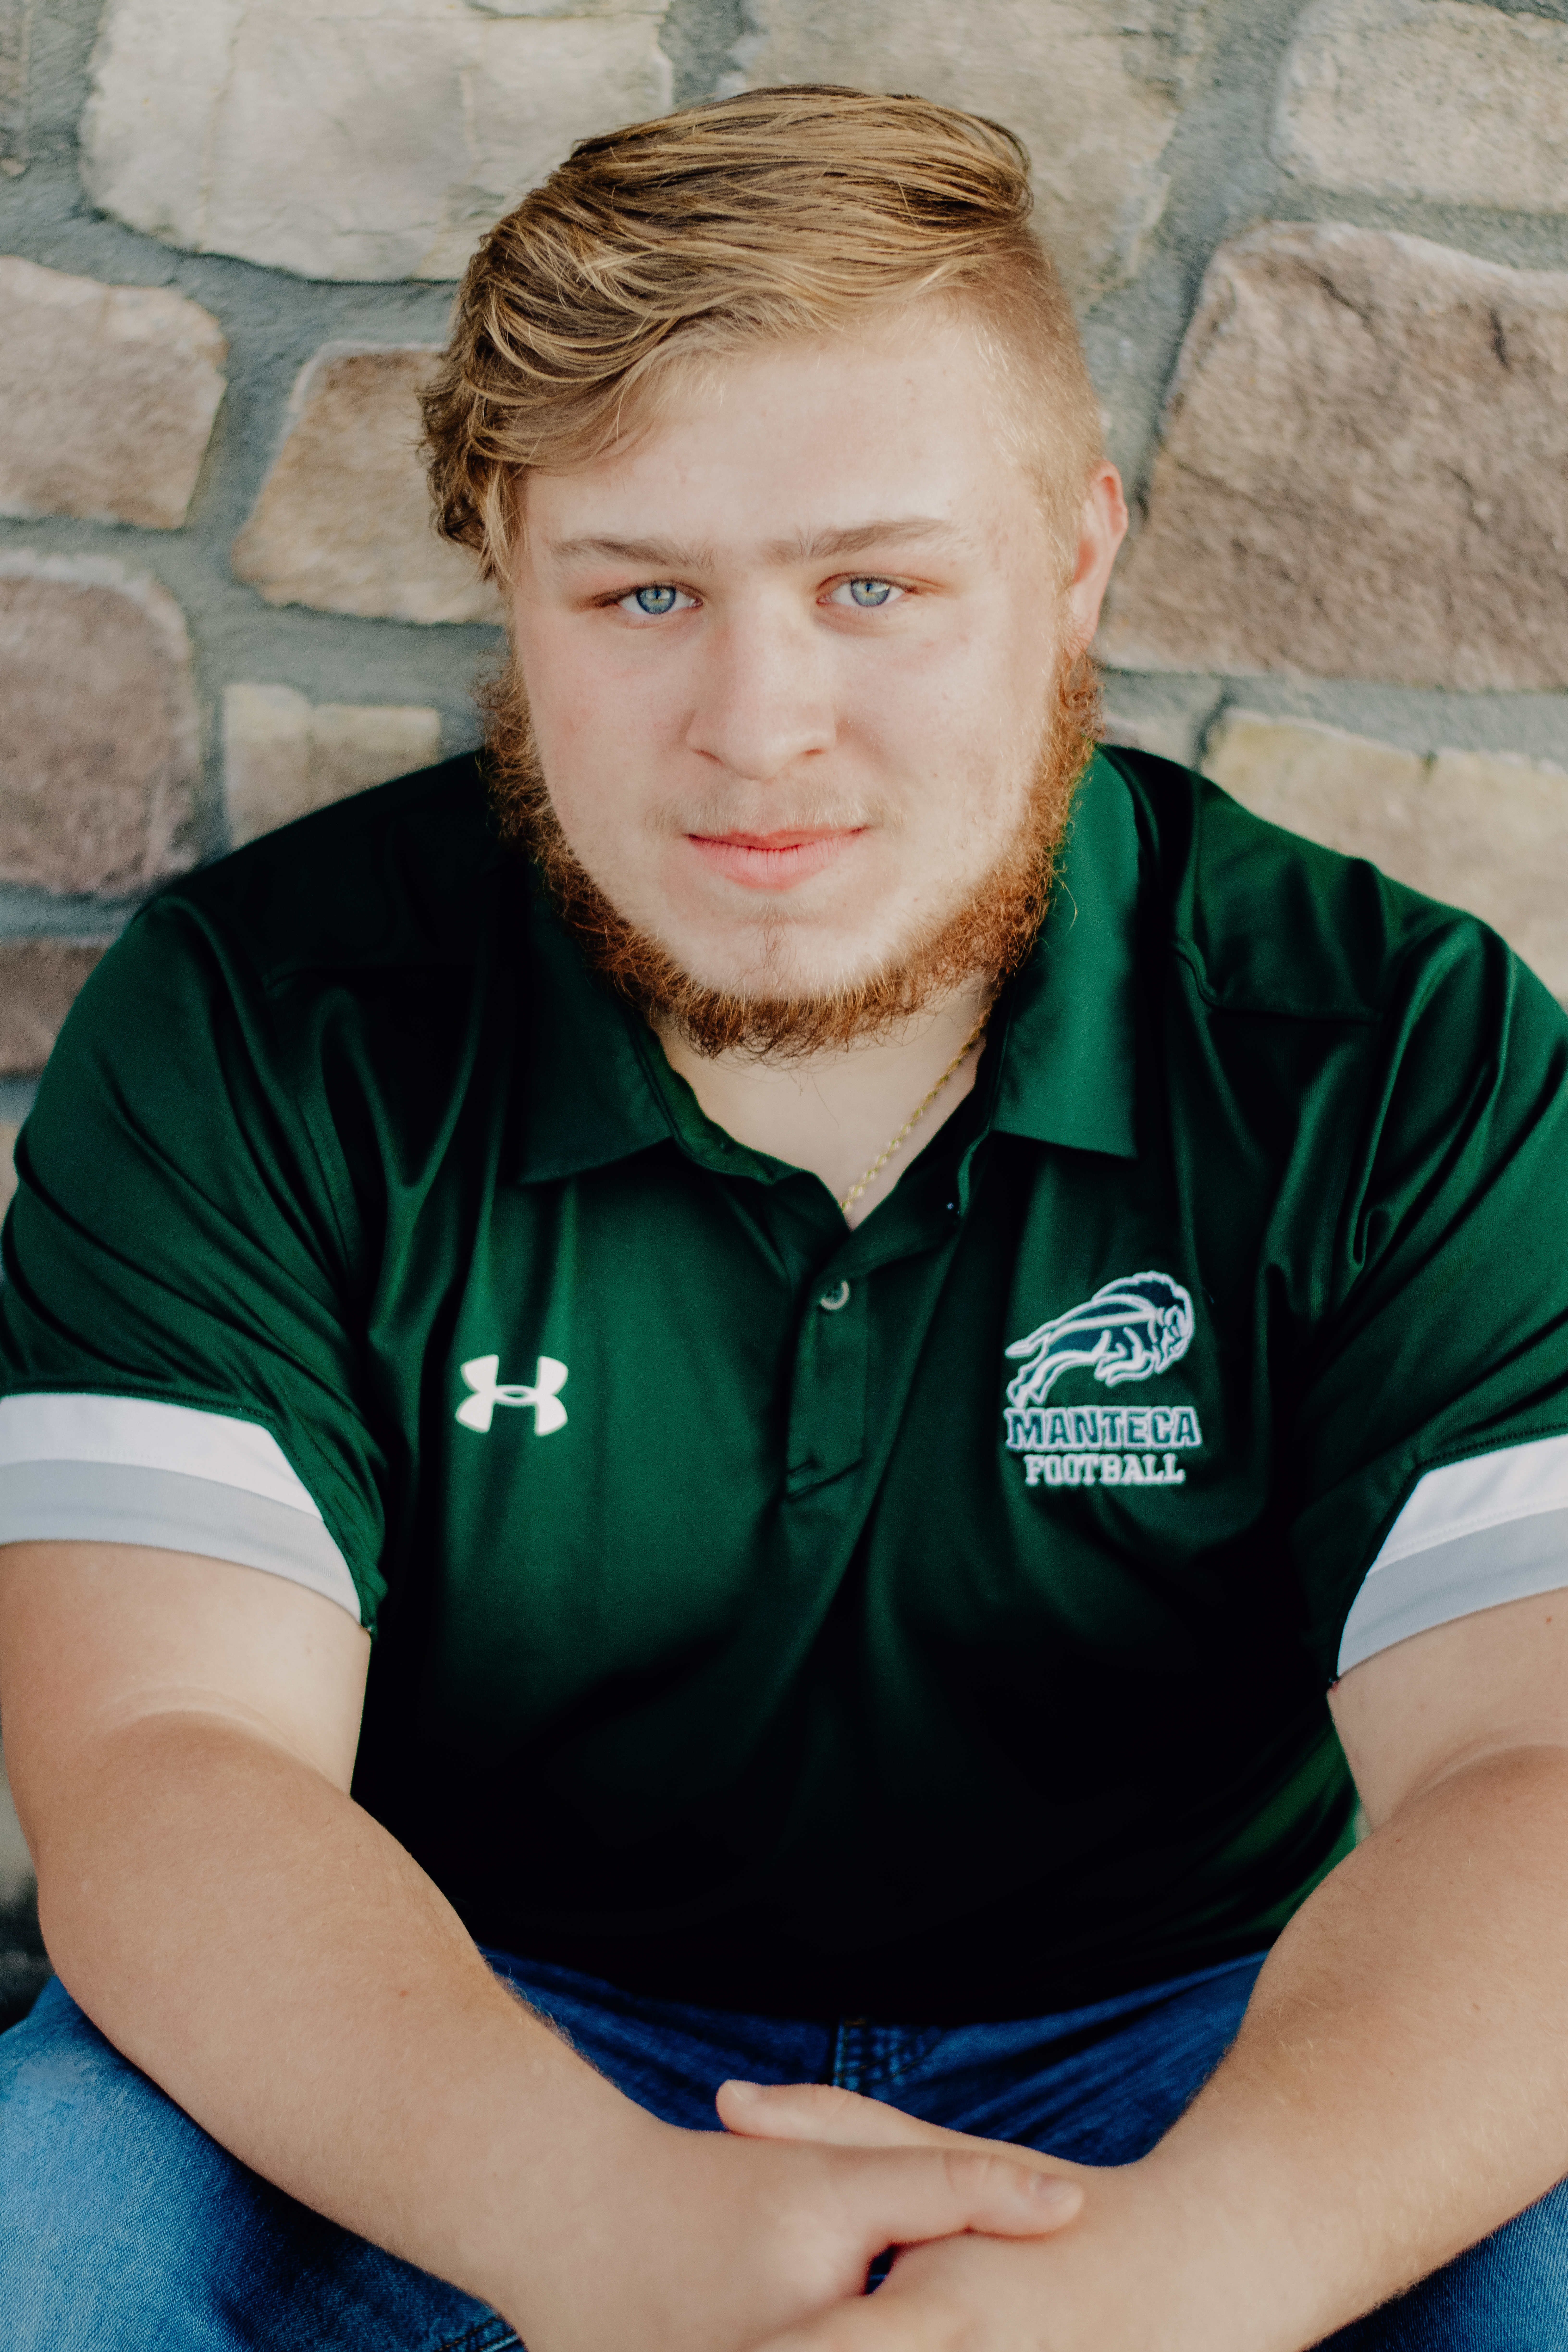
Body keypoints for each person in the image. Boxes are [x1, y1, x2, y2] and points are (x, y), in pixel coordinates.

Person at [2, 85, 1567, 2352]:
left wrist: (1193, 2274)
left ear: (1078, 556)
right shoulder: (266, 1019)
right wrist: (588, 2227)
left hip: (1212, 2050)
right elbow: (167, 1766)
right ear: (512, 589)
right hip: (460, 2038)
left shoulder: (1394, 1047)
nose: (760, 726)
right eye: (643, 592)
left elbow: (1534, 1768)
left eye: (873, 587)